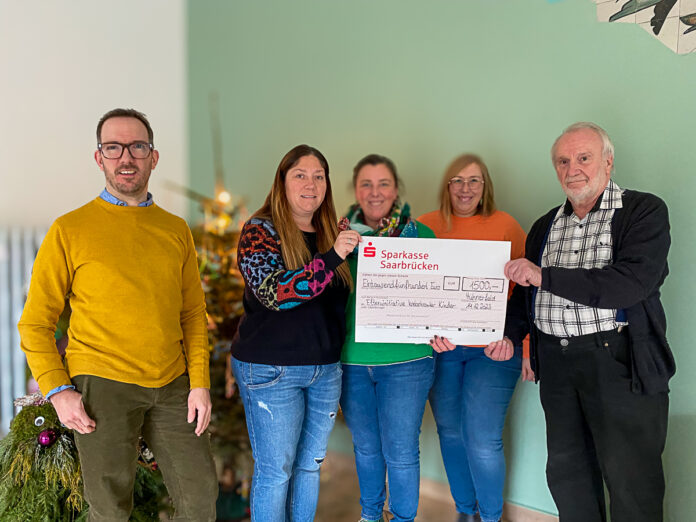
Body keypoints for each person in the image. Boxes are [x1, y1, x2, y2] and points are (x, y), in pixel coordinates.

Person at [18, 108, 218, 521]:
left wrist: (199, 383)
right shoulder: (69, 230)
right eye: (113, 147)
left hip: (171, 383)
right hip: (101, 385)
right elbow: (35, 322)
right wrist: (58, 391)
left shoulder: (175, 229)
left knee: (200, 501)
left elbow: (193, 315)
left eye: (137, 146)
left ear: (153, 156)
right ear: (99, 158)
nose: (126, 157)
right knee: (109, 510)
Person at [504, 122, 674, 522]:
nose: (572, 168)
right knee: (568, 476)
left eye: (584, 158)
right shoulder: (545, 225)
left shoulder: (644, 211)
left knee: (632, 480)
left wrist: (544, 276)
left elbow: (629, 285)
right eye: (563, 161)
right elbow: (527, 296)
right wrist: (511, 337)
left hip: (620, 360)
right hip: (557, 366)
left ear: (608, 162)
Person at [231, 144, 359, 522]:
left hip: (324, 369)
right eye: (300, 175)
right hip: (272, 370)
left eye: (319, 176)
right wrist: (333, 256)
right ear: (282, 182)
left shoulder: (332, 232)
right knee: (276, 471)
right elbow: (276, 293)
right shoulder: (259, 230)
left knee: (308, 468)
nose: (311, 183)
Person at [418, 154, 527, 522]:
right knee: (450, 433)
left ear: (485, 187)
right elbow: (415, 292)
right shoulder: (423, 227)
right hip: (442, 351)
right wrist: (425, 332)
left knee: (482, 439)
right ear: (446, 186)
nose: (465, 189)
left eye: (474, 181)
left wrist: (518, 342)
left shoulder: (506, 226)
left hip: (495, 351)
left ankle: (491, 517)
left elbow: (527, 293)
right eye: (457, 181)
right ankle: (466, 512)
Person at [339, 154, 435, 522]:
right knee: (365, 449)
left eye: (383, 184)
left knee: (401, 451)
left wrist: (440, 329)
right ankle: (369, 515)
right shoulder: (339, 239)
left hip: (407, 362)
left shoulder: (421, 235)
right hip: (352, 360)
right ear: (355, 190)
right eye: (366, 184)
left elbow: (437, 298)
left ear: (396, 189)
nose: (375, 192)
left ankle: (403, 518)